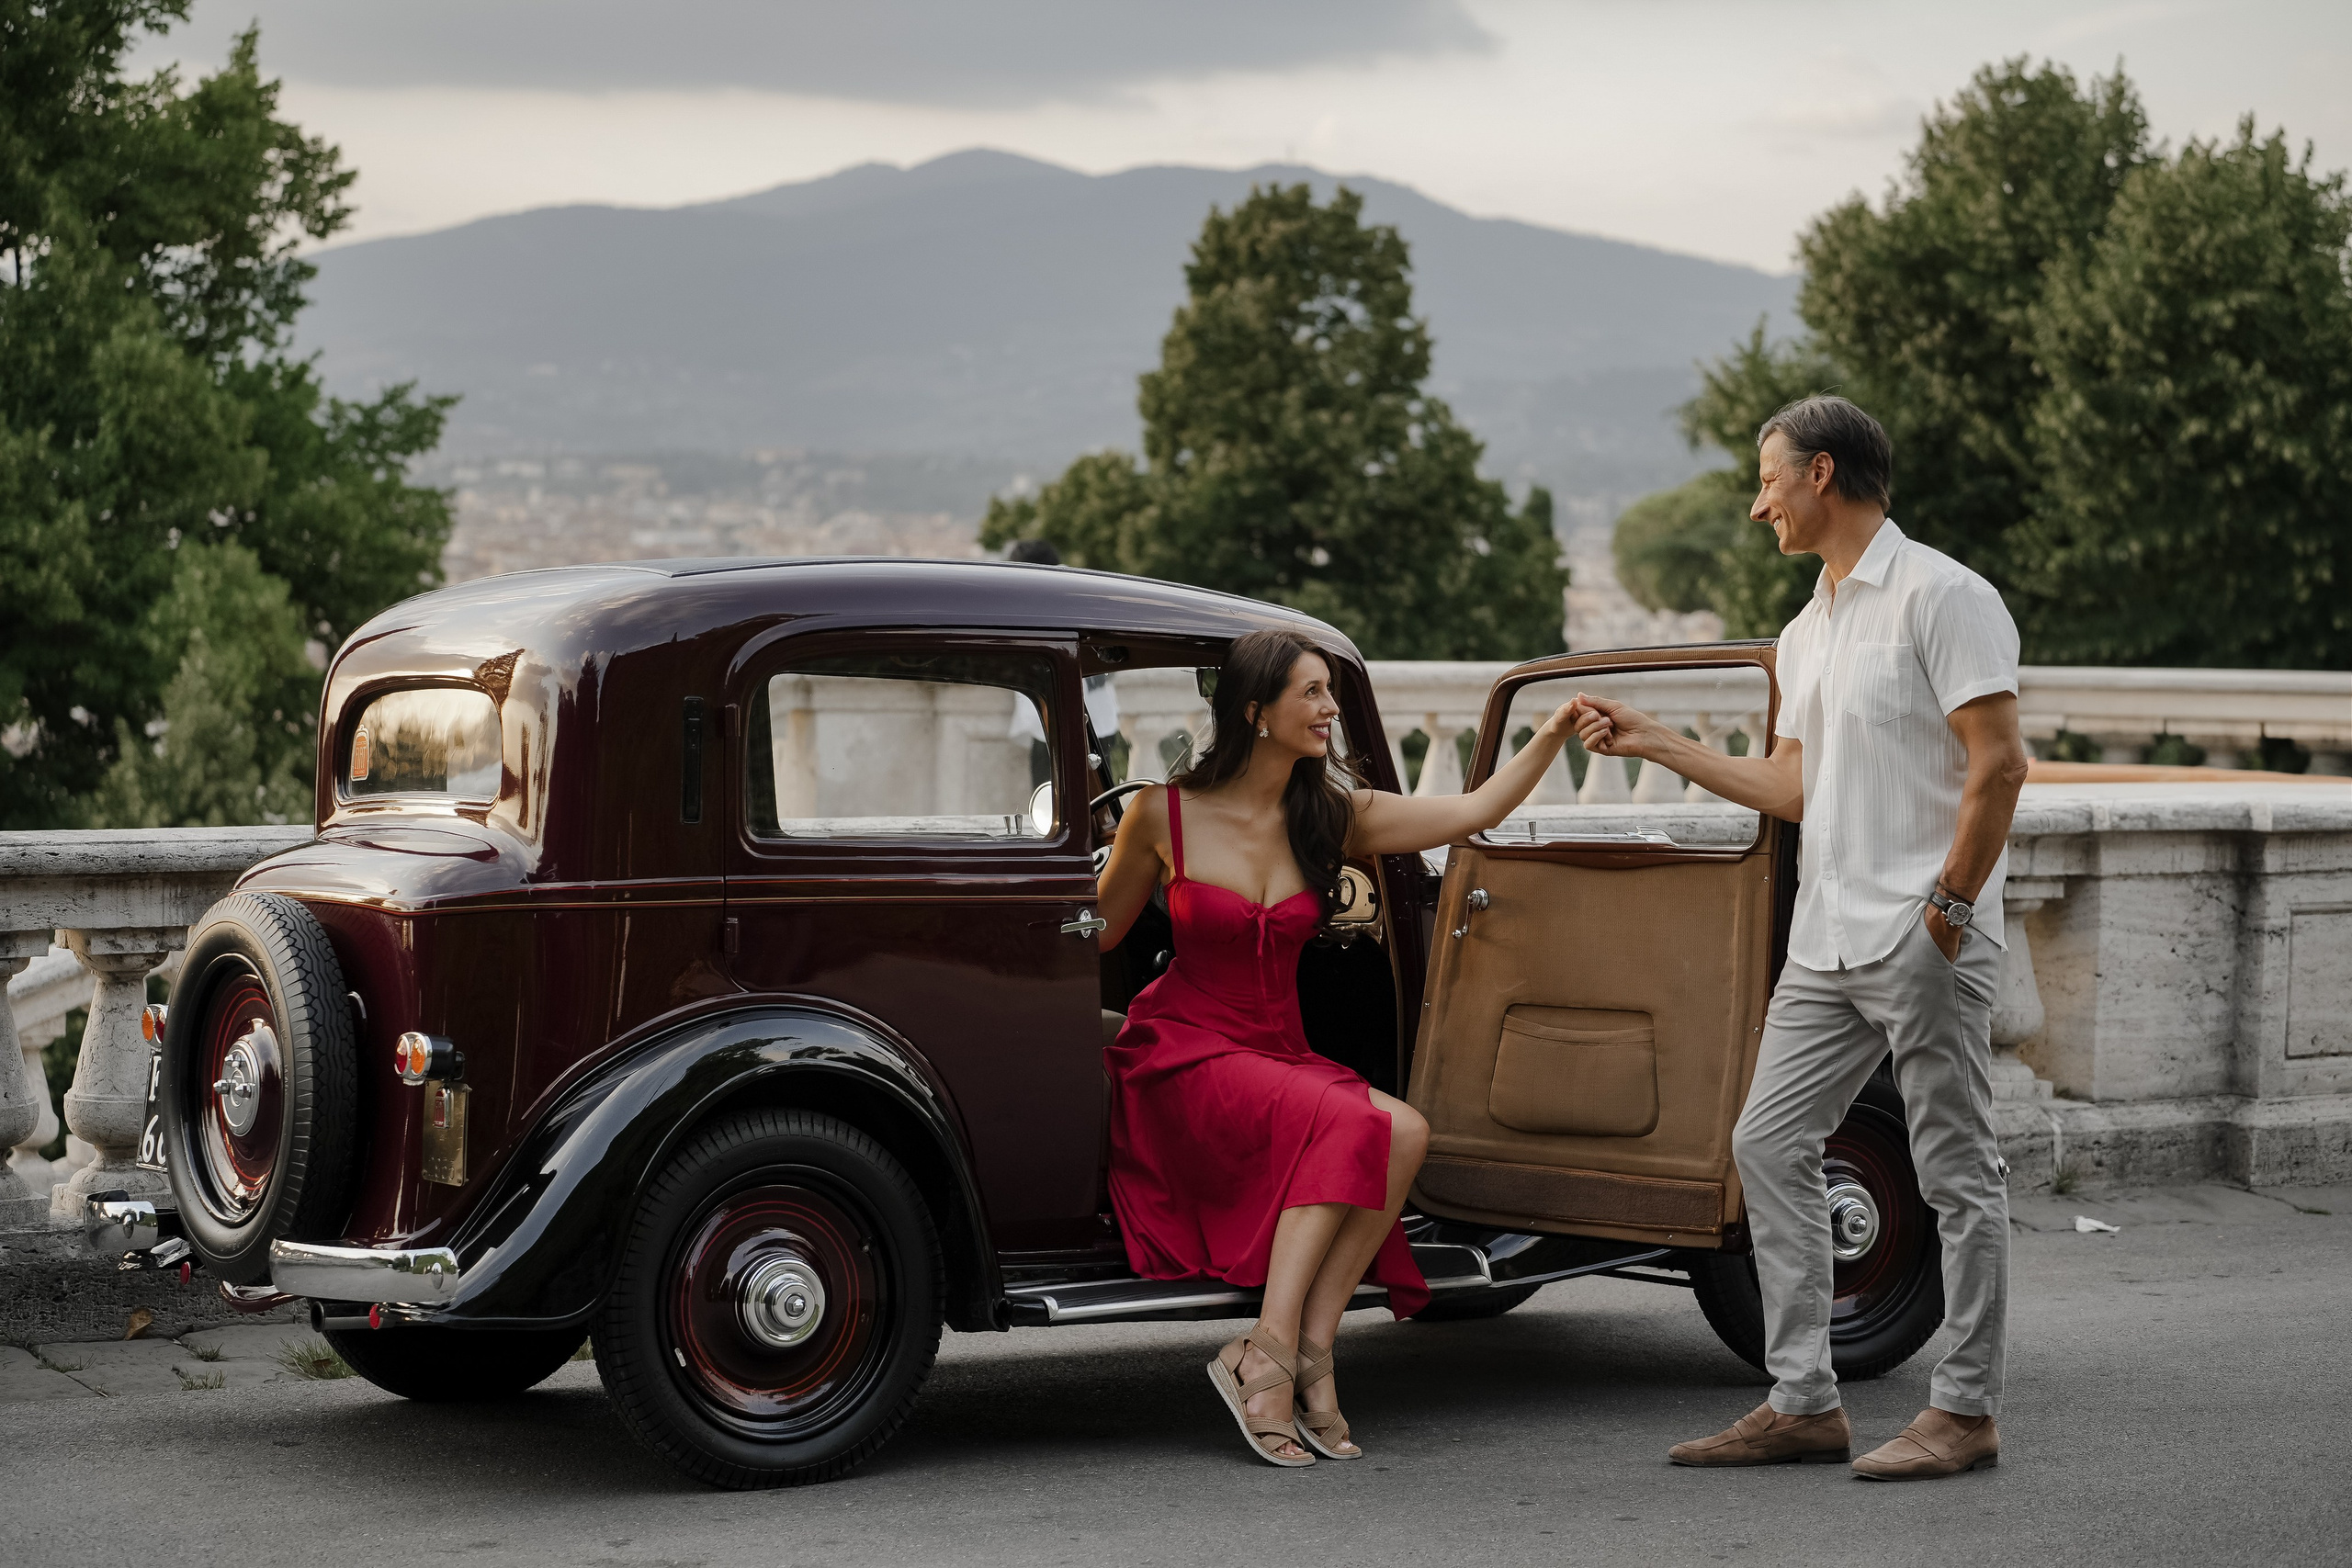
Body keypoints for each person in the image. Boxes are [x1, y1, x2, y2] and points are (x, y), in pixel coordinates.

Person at [1570, 394, 2030, 1481]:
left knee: (1955, 1173)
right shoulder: (1804, 629)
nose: (1756, 503)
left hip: (1925, 936)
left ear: (1821, 473)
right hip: (1825, 942)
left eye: (1767, 477)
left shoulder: (1945, 596)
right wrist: (1657, 742)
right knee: (1767, 1144)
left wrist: (1944, 918)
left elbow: (1999, 765)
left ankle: (1964, 1410)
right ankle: (1804, 1402)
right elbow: (1790, 787)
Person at [1095, 627, 1579, 1467]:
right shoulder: (1160, 814)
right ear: (1256, 710)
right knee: (1351, 1121)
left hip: (1276, 1051)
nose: (1329, 709)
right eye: (1311, 693)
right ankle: (1267, 1352)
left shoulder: (1333, 813)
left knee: (1407, 1131)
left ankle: (1308, 1345)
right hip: (1183, 1049)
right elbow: (1096, 932)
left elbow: (1474, 812)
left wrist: (1553, 731)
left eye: (1330, 691)